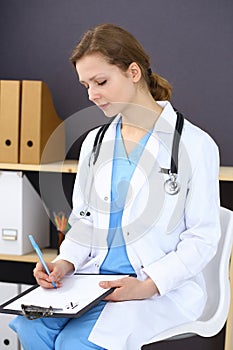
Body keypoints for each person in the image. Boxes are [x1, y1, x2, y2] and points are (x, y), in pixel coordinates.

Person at [10, 23, 221, 350]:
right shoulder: (96, 143)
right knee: (31, 327)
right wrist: (65, 263)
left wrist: (150, 285)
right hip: (91, 281)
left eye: (101, 82)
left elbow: (203, 237)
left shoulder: (193, 145)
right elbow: (84, 221)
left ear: (133, 72)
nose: (92, 94)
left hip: (154, 288)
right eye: (85, 85)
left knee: (74, 344)